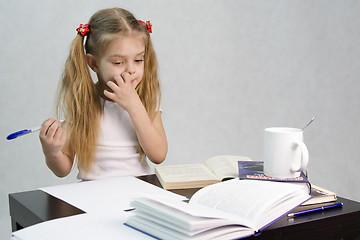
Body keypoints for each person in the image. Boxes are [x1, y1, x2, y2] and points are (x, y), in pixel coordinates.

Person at [39, 8, 167, 180]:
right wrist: (52, 152)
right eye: (118, 62)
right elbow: (63, 169)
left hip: (139, 189)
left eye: (138, 60)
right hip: (94, 195)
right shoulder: (81, 100)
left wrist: (134, 105)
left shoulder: (146, 98)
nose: (131, 69)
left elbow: (158, 155)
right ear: (94, 64)